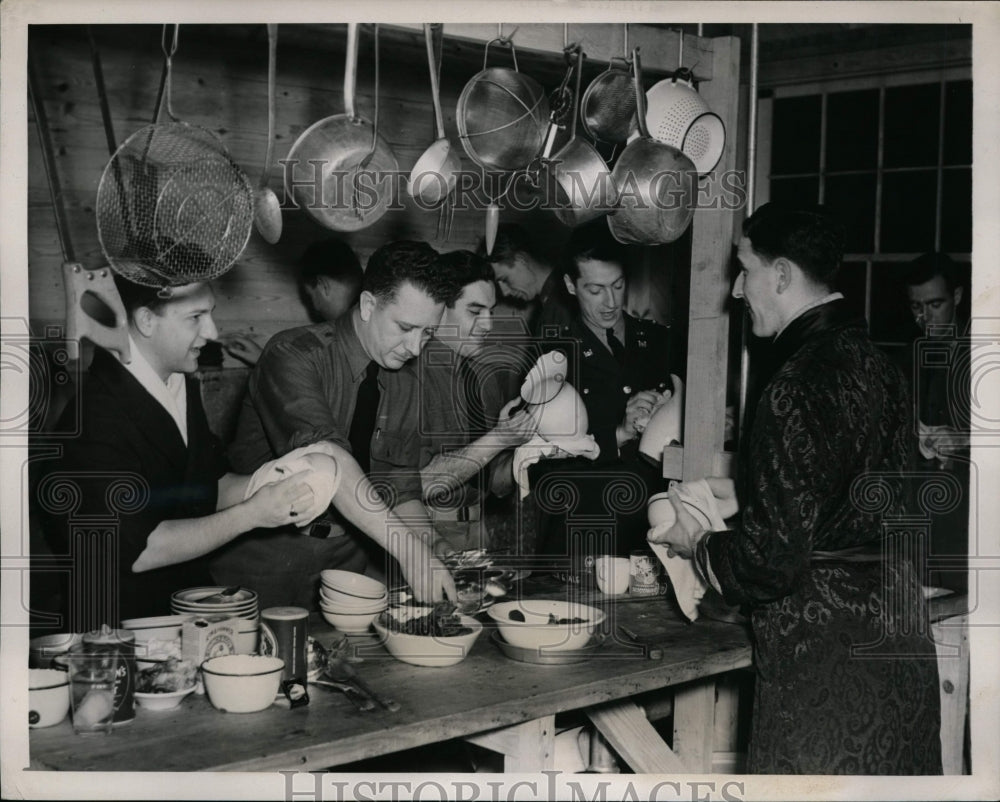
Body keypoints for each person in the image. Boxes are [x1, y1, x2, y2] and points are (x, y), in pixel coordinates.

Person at [650, 203, 941, 774]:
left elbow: (768, 563)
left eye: (745, 269)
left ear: (780, 275)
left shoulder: (794, 383)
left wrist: (698, 543)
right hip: (900, 640)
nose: (737, 289)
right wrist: (753, 494)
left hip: (825, 664)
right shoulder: (880, 366)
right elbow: (863, 494)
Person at [37, 277, 330, 626]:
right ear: (146, 320)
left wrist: (277, 477)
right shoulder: (95, 416)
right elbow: (141, 550)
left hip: (181, 607)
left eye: (211, 314)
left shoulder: (178, 384)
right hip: (117, 625)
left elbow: (211, 484)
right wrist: (252, 514)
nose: (211, 331)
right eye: (195, 317)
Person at [214, 241, 458, 608]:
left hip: (347, 562)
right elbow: (327, 459)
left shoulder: (406, 377)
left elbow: (400, 485)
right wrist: (408, 550)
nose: (416, 347)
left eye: (428, 332)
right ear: (367, 305)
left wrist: (431, 545)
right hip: (264, 558)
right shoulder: (293, 354)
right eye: (406, 327)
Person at [530, 222, 675, 561]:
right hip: (583, 532)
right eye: (595, 290)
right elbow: (539, 465)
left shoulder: (661, 341)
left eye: (618, 285)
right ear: (570, 285)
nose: (610, 302)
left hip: (656, 534)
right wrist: (618, 434)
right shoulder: (552, 357)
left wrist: (671, 413)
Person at [416, 250, 539, 551]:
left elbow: (495, 484)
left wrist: (529, 446)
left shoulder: (482, 381)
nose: (487, 325)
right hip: (424, 532)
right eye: (475, 311)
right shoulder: (408, 375)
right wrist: (499, 438)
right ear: (439, 309)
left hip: (476, 531)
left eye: (490, 312)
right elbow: (418, 484)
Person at [903, 252, 970, 592]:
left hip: (969, 523)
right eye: (916, 307)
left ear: (956, 297)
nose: (924, 317)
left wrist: (963, 439)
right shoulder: (913, 354)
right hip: (922, 520)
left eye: (934, 305)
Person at [221, 238, 363, 366]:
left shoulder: (350, 335)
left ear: (323, 286)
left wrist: (263, 359)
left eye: (310, 296)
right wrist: (262, 358)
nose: (314, 308)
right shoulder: (360, 322)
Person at [479, 223, 574, 336]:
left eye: (505, 279)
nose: (504, 292)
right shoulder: (554, 300)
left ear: (521, 260)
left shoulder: (564, 303)